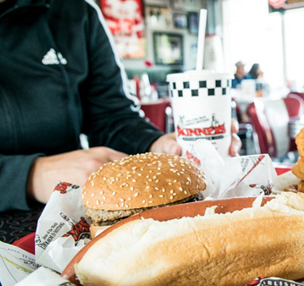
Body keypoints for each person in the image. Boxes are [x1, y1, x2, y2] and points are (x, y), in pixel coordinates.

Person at [0, 0, 241, 212]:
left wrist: (156, 145)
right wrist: (29, 176)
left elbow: (112, 117)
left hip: (77, 207)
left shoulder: (76, 12)